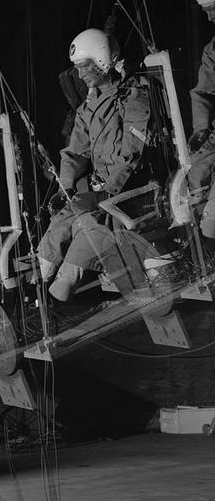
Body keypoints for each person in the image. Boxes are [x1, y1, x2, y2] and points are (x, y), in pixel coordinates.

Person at [36, 28, 151, 302]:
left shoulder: (133, 96)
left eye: (85, 66)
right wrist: (65, 188)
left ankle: (65, 280)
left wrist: (103, 192)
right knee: (58, 228)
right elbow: (75, 153)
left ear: (103, 61)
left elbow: (132, 156)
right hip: (99, 191)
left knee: (85, 228)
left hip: (130, 188)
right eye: (77, 68)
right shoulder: (89, 108)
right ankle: (37, 282)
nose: (80, 74)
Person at [182, 0, 215, 252]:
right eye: (206, 11)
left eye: (214, 9)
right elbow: (203, 92)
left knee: (212, 220)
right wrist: (201, 129)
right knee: (195, 173)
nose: (210, 17)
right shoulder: (212, 50)